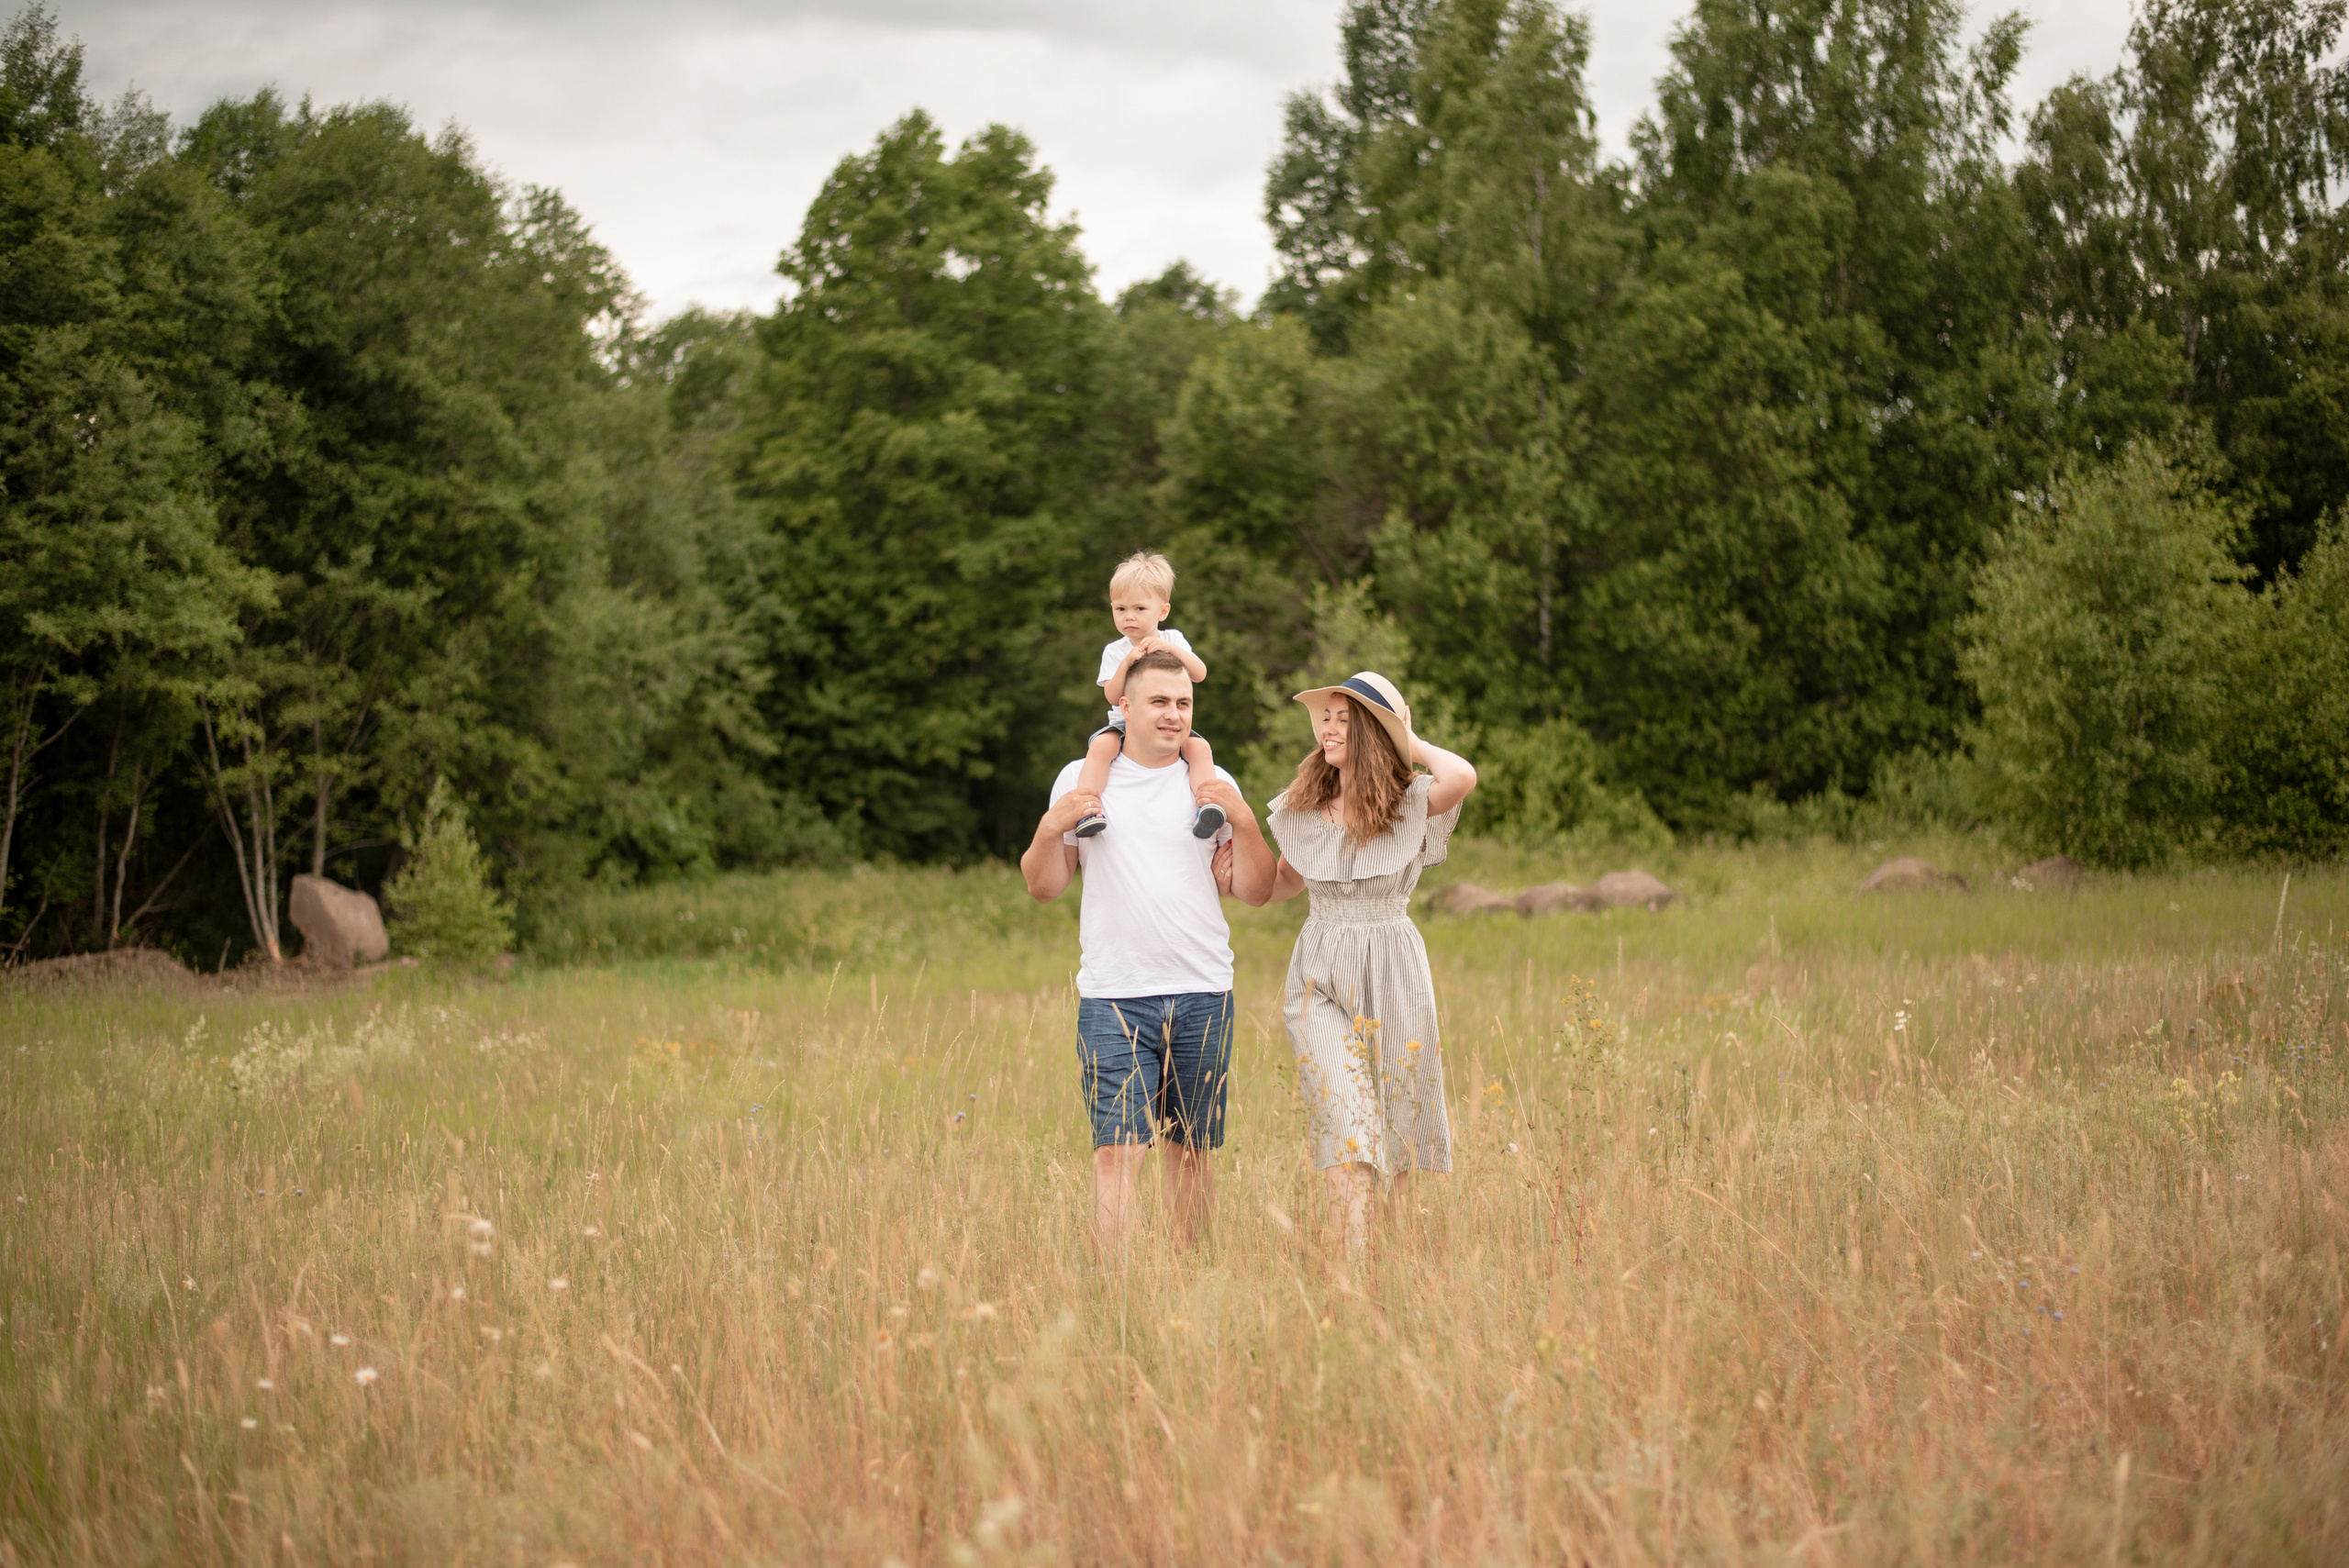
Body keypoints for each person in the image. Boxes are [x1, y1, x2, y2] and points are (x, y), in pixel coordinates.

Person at [1019, 648, 1275, 1250]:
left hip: (1203, 989)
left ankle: (1192, 1275)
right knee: (1117, 1151)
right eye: (1160, 701)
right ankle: (1121, 1293)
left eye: (1183, 703)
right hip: (1114, 993)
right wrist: (1048, 829)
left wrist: (1247, 822)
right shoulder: (1083, 779)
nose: (1173, 714)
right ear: (1125, 705)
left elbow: (1257, 891)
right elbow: (1044, 886)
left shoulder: (1214, 785)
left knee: (1191, 1152)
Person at [1262, 672, 1477, 1257]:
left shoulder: (1412, 802)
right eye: (1325, 718)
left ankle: (1400, 1257)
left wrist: (1406, 739)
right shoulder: (1303, 807)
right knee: (1342, 1116)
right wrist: (1230, 862)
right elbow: (1283, 884)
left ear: (1375, 733)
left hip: (1394, 959)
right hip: (1320, 967)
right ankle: (1352, 1268)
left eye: (1345, 719)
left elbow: (1462, 776)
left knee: (1403, 1103)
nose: (1329, 729)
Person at [1068, 550, 1223, 841]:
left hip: (1168, 723)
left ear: (1162, 612)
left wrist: (1171, 650)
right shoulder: (1115, 651)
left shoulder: (1173, 639)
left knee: (1200, 750)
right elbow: (1113, 696)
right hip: (1123, 725)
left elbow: (1199, 672)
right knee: (1101, 747)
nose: (1129, 617)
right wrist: (1128, 662)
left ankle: (1207, 806)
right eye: (1120, 609)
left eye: (1140, 609)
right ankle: (1088, 809)